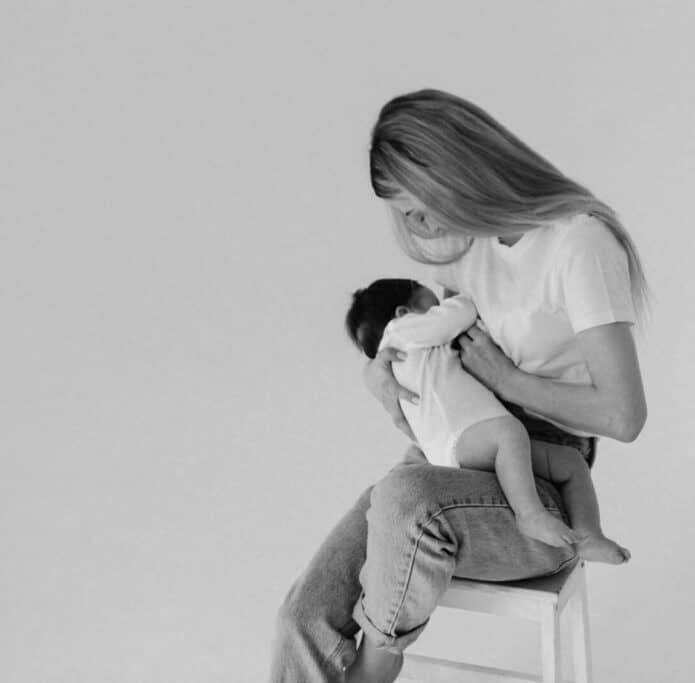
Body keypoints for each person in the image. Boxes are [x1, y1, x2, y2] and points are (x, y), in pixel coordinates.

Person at [271, 89, 648, 683]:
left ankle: (374, 668)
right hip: (450, 455)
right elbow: (419, 340)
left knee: (404, 498)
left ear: (456, 172)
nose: (415, 227)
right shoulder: (462, 250)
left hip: (541, 487)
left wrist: (511, 382)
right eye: (403, 214)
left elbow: (625, 416)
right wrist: (378, 373)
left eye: (418, 208)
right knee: (305, 613)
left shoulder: (579, 242)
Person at [344, 277, 631, 558]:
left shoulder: (418, 346)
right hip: (459, 440)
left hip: (474, 440)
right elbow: (460, 312)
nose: (442, 303)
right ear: (403, 313)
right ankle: (529, 514)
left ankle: (590, 535)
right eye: (432, 300)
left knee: (570, 463)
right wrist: (470, 291)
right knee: (508, 433)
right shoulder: (401, 332)